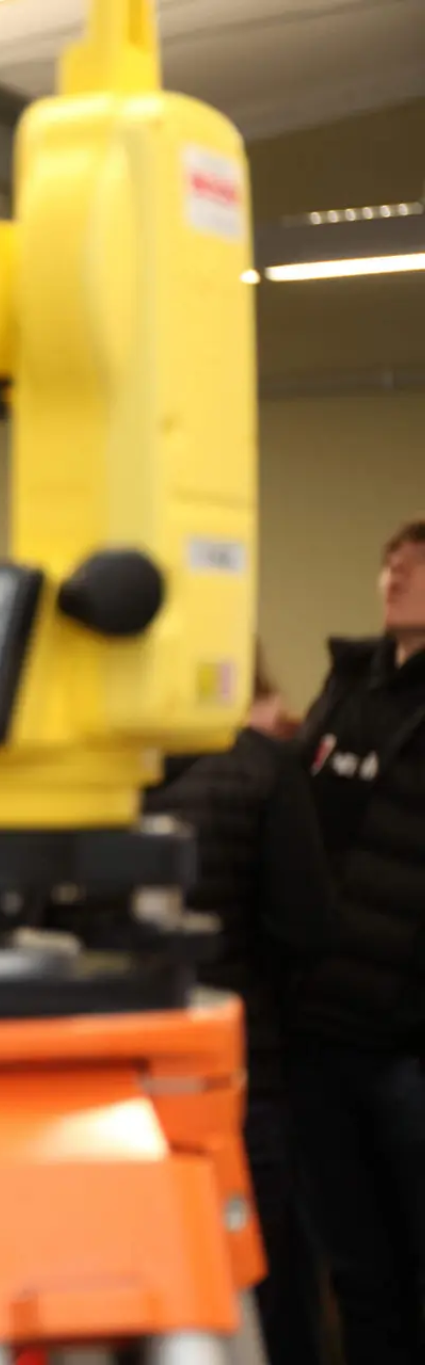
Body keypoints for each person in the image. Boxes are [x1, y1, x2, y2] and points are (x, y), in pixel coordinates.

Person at [145, 644, 331, 1365]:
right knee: (256, 1276)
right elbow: (304, 927)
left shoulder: (87, 776)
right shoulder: (263, 768)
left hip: (108, 1072)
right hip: (235, 1066)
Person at [287, 516, 425, 1365]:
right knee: (356, 1263)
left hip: (410, 1040)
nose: (395, 574)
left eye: (416, 562)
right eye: (389, 562)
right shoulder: (346, 685)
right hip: (322, 1026)